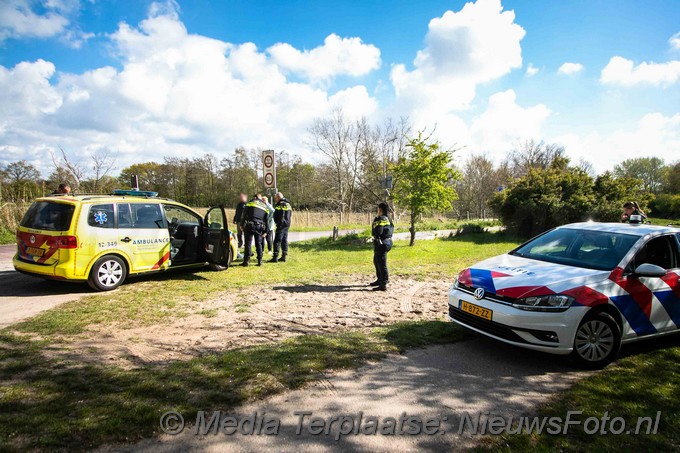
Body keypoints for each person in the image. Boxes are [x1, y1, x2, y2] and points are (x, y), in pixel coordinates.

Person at [370, 202, 394, 291]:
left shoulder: (380, 219)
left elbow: (377, 232)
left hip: (381, 243)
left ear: (380, 209)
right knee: (376, 261)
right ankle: (379, 279)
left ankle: (383, 283)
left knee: (381, 264)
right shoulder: (389, 219)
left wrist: (375, 223)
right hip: (388, 242)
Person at [241, 194, 269, 267]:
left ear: (255, 197)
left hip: (250, 225)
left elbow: (244, 214)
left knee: (248, 243)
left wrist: (241, 225)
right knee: (258, 244)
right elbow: (267, 220)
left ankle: (246, 261)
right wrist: (266, 231)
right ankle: (260, 261)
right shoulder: (265, 206)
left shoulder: (251, 202)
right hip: (259, 226)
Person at [269, 192, 292, 263]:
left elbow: (281, 215)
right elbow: (290, 214)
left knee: (277, 241)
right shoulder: (288, 204)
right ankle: (284, 256)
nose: (275, 199)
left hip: (281, 224)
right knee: (284, 240)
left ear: (278, 197)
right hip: (287, 224)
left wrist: (278, 223)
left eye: (276, 198)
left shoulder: (280, 204)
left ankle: (275, 257)